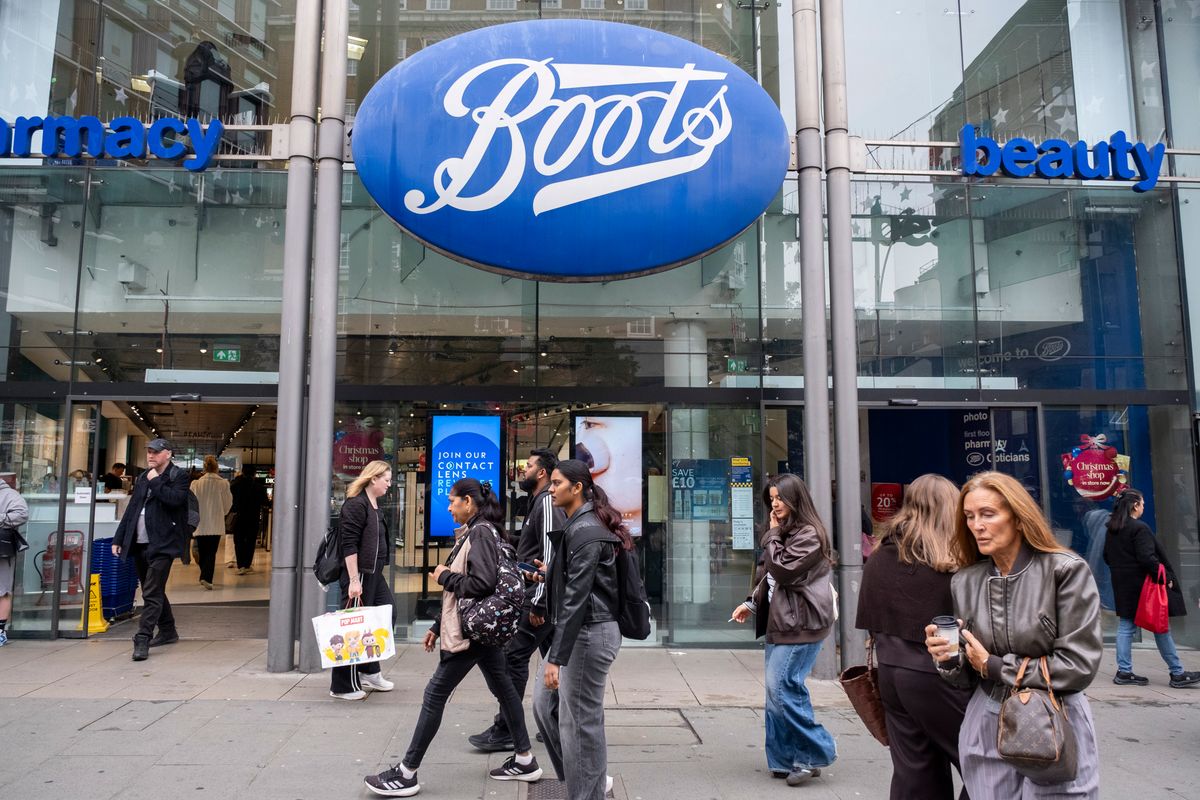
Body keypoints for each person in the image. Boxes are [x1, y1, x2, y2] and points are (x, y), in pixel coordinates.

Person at [925, 471, 1102, 797]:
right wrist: (948, 656)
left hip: (1054, 717)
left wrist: (993, 666)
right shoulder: (965, 581)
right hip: (987, 717)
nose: (976, 525)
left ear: (1019, 518)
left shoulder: (1064, 570)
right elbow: (964, 678)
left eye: (988, 514)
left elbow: (1078, 665)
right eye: (969, 516)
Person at [364, 478, 542, 797]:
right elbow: (470, 592)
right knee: (504, 689)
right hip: (481, 629)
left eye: (452, 501)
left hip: (471, 633)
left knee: (435, 695)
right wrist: (435, 625)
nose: (449, 507)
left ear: (468, 502)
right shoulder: (485, 531)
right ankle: (525, 759)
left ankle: (407, 772)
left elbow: (482, 584)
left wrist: (444, 576)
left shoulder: (480, 533)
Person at [855, 474, 970, 799]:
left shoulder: (882, 554)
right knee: (986, 763)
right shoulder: (947, 560)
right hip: (936, 674)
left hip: (890, 673)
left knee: (916, 774)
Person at [730, 473, 837, 787]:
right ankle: (784, 759)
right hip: (781, 622)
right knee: (776, 694)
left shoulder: (809, 534)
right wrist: (751, 603)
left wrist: (773, 536)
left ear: (796, 499)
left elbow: (784, 570)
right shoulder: (784, 533)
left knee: (783, 688)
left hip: (802, 624)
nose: (774, 504)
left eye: (780, 498)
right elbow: (768, 578)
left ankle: (817, 750)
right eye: (772, 498)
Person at [537, 458, 627, 800]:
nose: (551, 488)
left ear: (577, 488)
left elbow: (577, 598)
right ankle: (587, 780)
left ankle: (587, 792)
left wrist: (555, 658)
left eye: (557, 483)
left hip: (589, 634)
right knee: (546, 708)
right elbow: (575, 584)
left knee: (579, 725)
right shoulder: (578, 525)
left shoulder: (586, 532)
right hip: (580, 631)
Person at [469, 448, 566, 753]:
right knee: (557, 661)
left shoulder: (548, 501)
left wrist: (539, 601)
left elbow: (550, 555)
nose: (523, 470)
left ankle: (507, 730)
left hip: (541, 598)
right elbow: (534, 548)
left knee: (514, 657)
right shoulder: (538, 502)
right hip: (545, 597)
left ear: (542, 473)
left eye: (529, 466)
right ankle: (559, 723)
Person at [1102, 488, 1200, 688]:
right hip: (1143, 586)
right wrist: (1164, 578)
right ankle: (1177, 672)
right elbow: (1147, 558)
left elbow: (1106, 556)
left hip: (1122, 583)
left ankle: (1124, 671)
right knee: (1160, 625)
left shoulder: (1113, 528)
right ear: (1134, 505)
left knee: (1126, 626)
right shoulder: (1139, 528)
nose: (1143, 507)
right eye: (1142, 504)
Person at [111, 439, 192, 661]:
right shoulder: (143, 477)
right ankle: (168, 630)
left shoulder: (179, 476)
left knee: (152, 591)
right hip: (140, 542)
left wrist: (156, 481)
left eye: (156, 452)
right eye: (148, 452)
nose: (151, 456)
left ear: (168, 454)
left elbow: (175, 500)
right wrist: (119, 538)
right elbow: (133, 509)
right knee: (152, 589)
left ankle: (142, 637)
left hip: (164, 543)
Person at [330, 459, 397, 700]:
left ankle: (369, 670)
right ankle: (342, 685)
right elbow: (349, 545)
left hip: (373, 573)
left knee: (386, 615)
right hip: (359, 574)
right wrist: (353, 580)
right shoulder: (356, 505)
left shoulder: (373, 504)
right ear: (373, 479)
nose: (389, 485)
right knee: (354, 628)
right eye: (386, 480)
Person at [190, 455, 232, 590]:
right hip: (215, 522)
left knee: (202, 551)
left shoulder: (196, 484)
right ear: (217, 468)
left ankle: (204, 576)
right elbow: (227, 504)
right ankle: (206, 577)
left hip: (200, 523)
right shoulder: (223, 483)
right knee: (211, 552)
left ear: (204, 468)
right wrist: (221, 513)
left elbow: (191, 504)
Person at [0, 478, 30, 646]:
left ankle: (0, 631)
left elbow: (21, 514)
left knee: (2, 590)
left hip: (1, 550)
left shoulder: (10, 495)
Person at [229, 466, 266, 574]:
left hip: (238, 518)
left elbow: (230, 501)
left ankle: (240, 565)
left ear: (242, 473)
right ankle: (247, 564)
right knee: (250, 541)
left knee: (238, 541)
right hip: (253, 518)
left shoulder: (235, 485)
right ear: (254, 474)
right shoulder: (259, 487)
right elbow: (265, 502)